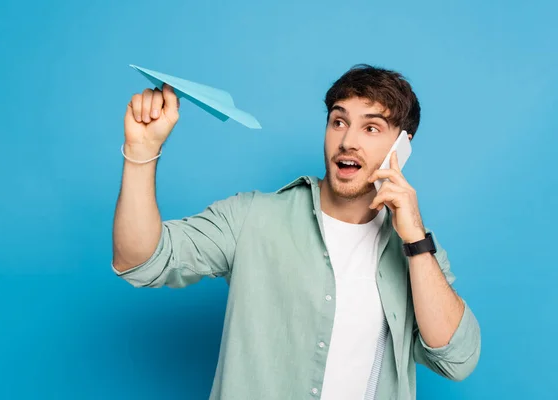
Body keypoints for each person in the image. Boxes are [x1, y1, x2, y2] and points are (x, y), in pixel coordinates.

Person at [111, 64, 481, 400]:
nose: (347, 141)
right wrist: (141, 151)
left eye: (371, 128)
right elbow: (141, 260)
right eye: (338, 122)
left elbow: (457, 358)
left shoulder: (418, 252)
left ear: (402, 146)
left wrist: (415, 239)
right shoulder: (252, 217)